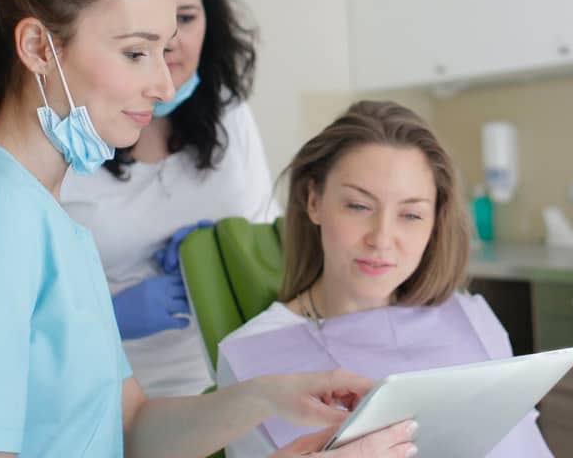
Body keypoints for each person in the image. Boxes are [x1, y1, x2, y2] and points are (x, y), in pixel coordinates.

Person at [0, 0, 416, 458]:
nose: (164, 86)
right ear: (36, 48)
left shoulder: (49, 220)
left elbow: (130, 427)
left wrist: (269, 396)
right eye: (135, 53)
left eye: (163, 49)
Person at [216, 101, 552, 458]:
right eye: (359, 207)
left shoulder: (470, 318)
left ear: (435, 222)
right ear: (314, 201)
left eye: (410, 214)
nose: (381, 238)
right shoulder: (253, 355)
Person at [62, 0, 278, 398]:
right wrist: (112, 315)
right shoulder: (71, 134)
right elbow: (29, 304)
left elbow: (270, 231)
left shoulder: (229, 112)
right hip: (109, 393)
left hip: (228, 381)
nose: (170, 41)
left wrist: (226, 244)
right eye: (151, 26)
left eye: (186, 17)